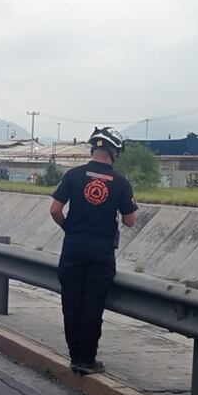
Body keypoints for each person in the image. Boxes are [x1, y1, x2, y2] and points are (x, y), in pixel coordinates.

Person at [49, 126, 138, 374]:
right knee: (93, 306)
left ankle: (75, 356)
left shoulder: (73, 175)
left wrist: (70, 228)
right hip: (101, 251)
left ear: (93, 148)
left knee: (72, 303)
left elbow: (55, 210)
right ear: (114, 152)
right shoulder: (120, 183)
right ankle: (87, 360)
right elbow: (129, 221)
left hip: (74, 245)